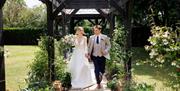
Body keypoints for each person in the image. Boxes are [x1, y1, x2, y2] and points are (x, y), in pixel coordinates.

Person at [88, 25, 111, 89]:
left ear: (100, 30)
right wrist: (88, 54)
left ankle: (100, 76)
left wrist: (106, 51)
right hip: (94, 56)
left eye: (96, 30)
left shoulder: (105, 37)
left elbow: (109, 45)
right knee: (96, 70)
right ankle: (98, 83)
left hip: (102, 56)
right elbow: (89, 46)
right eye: (94, 30)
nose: (95, 31)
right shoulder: (91, 37)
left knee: (102, 70)